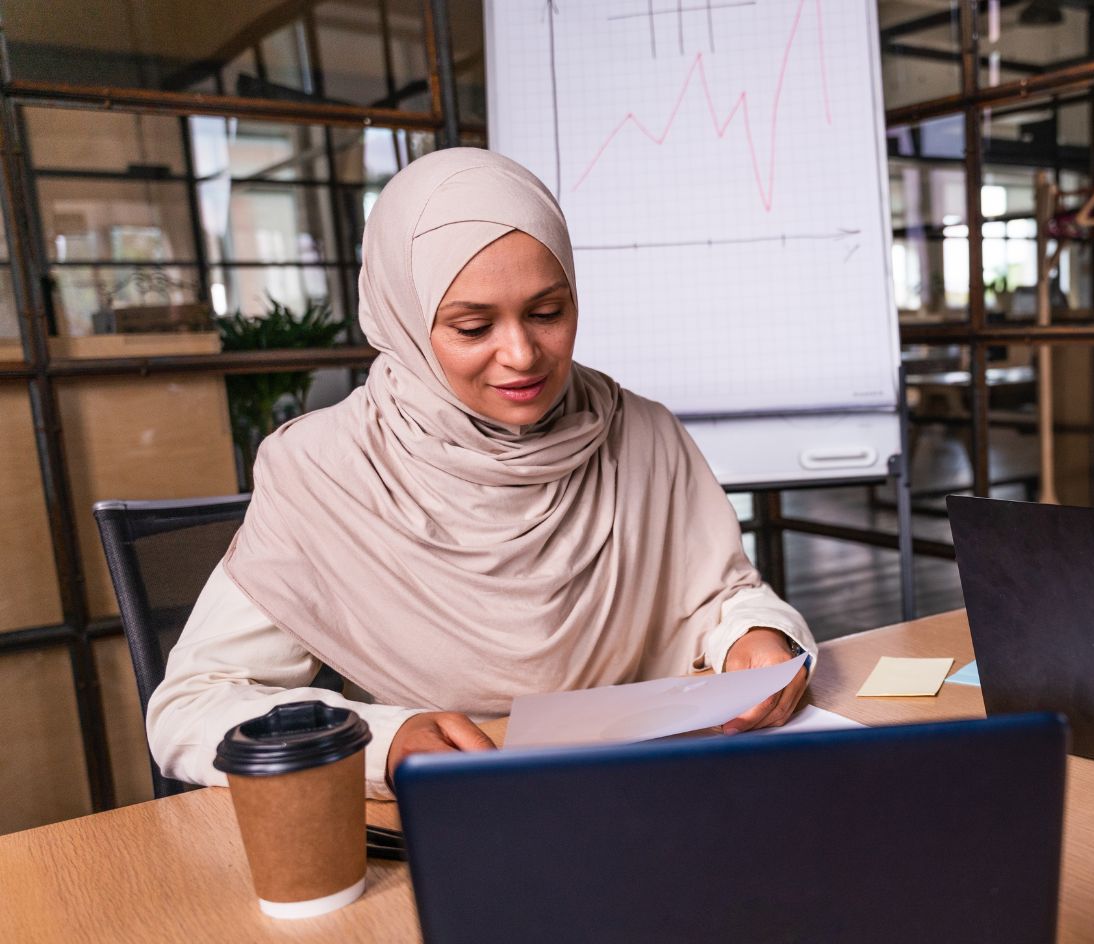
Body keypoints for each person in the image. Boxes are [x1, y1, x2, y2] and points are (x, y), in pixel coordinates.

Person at [148, 148, 815, 797]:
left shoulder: (640, 432)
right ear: (405, 321)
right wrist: (385, 744)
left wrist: (756, 634)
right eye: (472, 328)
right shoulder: (323, 471)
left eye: (548, 313)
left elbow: (722, 593)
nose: (522, 355)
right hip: (452, 816)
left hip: (648, 791)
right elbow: (189, 708)